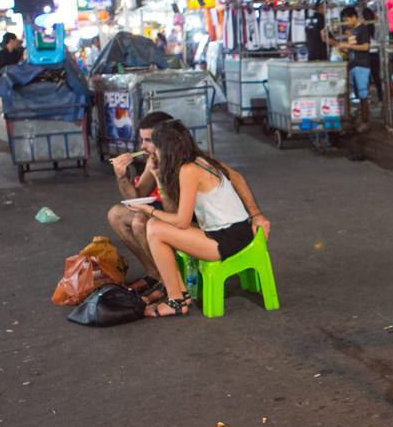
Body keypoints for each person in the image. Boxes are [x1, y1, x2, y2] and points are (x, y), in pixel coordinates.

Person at [108, 111, 271, 301]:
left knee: (143, 223)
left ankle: (173, 292)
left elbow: (236, 178)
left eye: (148, 140)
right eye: (141, 140)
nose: (142, 146)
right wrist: (122, 176)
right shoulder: (158, 159)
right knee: (117, 215)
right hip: (210, 224)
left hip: (209, 225)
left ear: (166, 141)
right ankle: (158, 276)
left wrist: (257, 214)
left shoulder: (189, 164)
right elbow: (137, 197)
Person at [332, 5, 375, 127]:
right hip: (354, 65)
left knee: (363, 95)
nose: (346, 23)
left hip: (362, 66)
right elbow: (353, 49)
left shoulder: (363, 29)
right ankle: (360, 119)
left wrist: (348, 46)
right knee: (357, 95)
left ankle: (365, 122)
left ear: (354, 17)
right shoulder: (354, 31)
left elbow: (366, 47)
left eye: (347, 20)